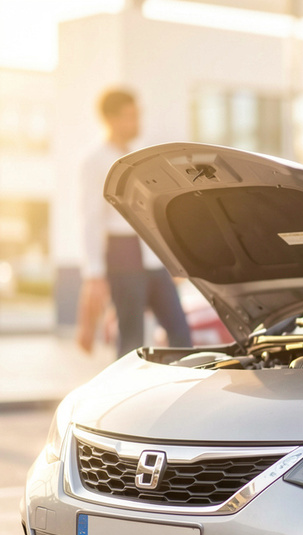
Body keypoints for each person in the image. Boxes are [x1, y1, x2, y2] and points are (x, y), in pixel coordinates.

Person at [76, 88, 191, 356]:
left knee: (181, 333)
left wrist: (171, 259)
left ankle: (183, 380)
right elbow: (90, 219)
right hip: (122, 257)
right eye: (130, 116)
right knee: (131, 341)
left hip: (152, 258)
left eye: (138, 114)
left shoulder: (139, 157)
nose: (137, 122)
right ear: (111, 119)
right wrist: (94, 274)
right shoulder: (94, 162)